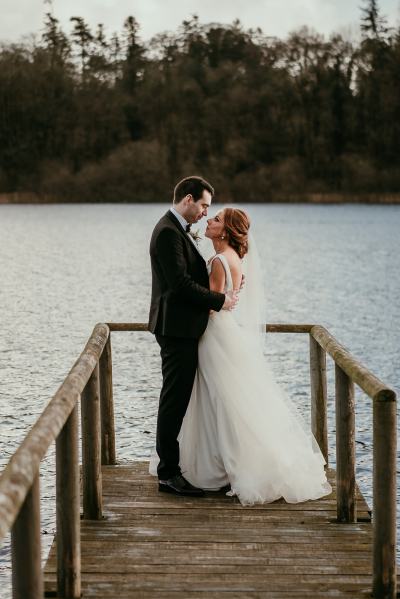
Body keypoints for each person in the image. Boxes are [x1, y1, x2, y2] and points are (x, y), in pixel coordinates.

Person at [178, 207, 332, 505]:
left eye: (216, 219)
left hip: (213, 335)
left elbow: (211, 304)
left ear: (225, 231)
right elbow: (225, 299)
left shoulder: (220, 261)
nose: (209, 221)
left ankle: (221, 466)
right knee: (227, 397)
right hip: (226, 332)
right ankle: (225, 461)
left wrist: (193, 300)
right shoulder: (235, 259)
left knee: (217, 398)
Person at [148, 176, 238, 497]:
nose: (204, 212)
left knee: (179, 398)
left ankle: (175, 467)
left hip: (183, 327)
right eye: (203, 205)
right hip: (175, 329)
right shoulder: (167, 233)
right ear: (187, 199)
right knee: (174, 400)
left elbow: (191, 277)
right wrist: (220, 300)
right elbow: (180, 285)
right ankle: (168, 474)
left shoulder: (176, 230)